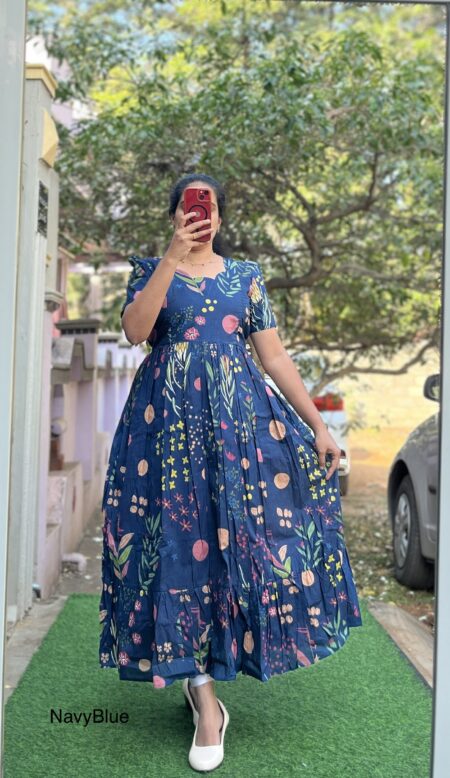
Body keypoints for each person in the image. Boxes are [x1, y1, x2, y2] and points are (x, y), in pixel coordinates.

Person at [99, 172, 363, 772]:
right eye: (193, 205)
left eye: (211, 205)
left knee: (232, 549)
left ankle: (210, 674)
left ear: (220, 216)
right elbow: (136, 332)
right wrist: (172, 256)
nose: (204, 214)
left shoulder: (245, 277)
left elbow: (273, 355)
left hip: (237, 433)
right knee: (175, 548)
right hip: (165, 435)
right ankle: (206, 704)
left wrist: (319, 425)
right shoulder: (151, 271)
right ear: (176, 214)